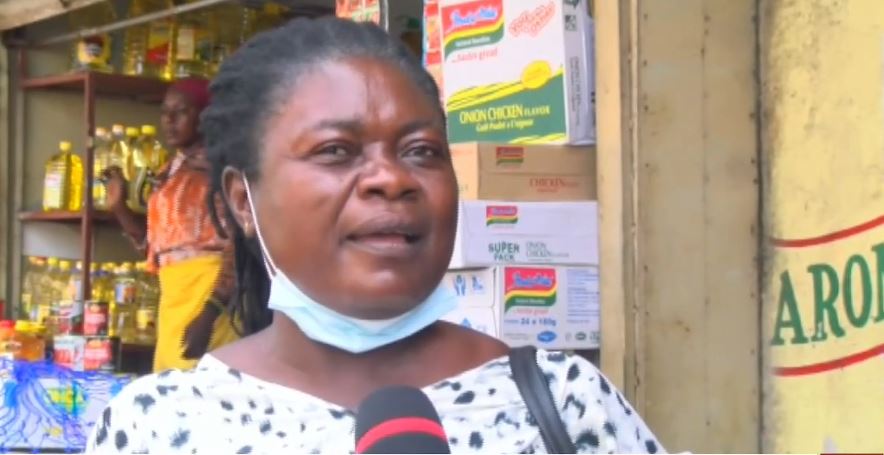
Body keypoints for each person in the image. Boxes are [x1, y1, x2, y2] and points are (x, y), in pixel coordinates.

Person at [87, 18, 664, 454]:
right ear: (244, 201)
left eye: (421, 152)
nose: (391, 178)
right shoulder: (158, 425)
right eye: (336, 151)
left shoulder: (563, 402)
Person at [104, 78, 239, 372]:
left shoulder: (222, 169)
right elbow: (152, 248)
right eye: (165, 112)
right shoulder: (170, 170)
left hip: (211, 301)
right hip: (173, 303)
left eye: (181, 112)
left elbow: (241, 244)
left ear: (205, 116)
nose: (169, 120)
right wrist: (120, 207)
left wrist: (209, 314)